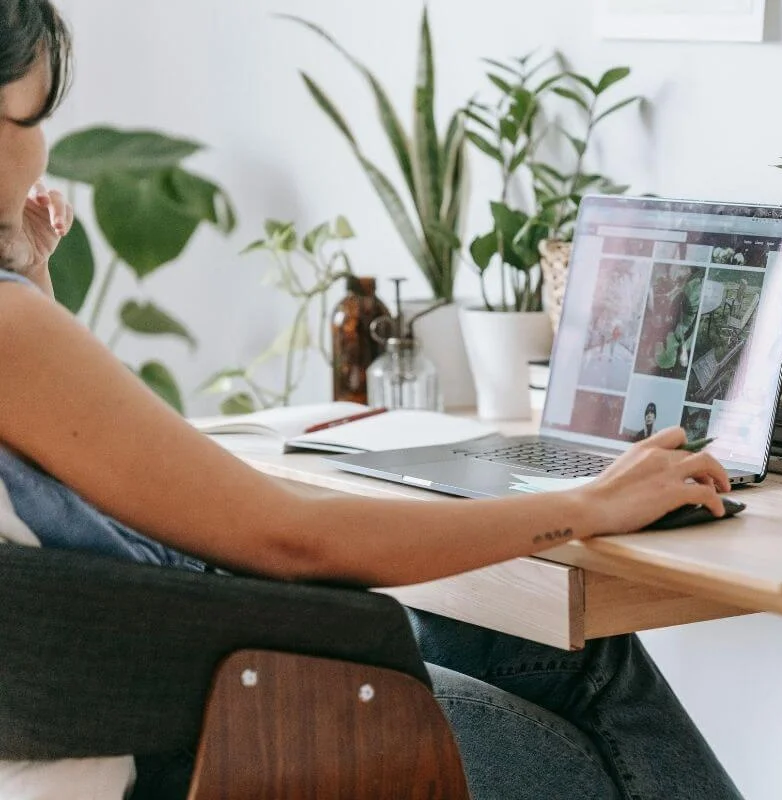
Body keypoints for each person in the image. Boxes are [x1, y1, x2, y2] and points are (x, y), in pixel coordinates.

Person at [0, 2, 743, 798]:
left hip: (138, 714)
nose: (45, 146)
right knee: (594, 671)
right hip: (218, 731)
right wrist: (589, 504)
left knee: (506, 635)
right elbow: (296, 541)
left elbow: (58, 485)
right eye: (34, 115)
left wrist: (29, 272)